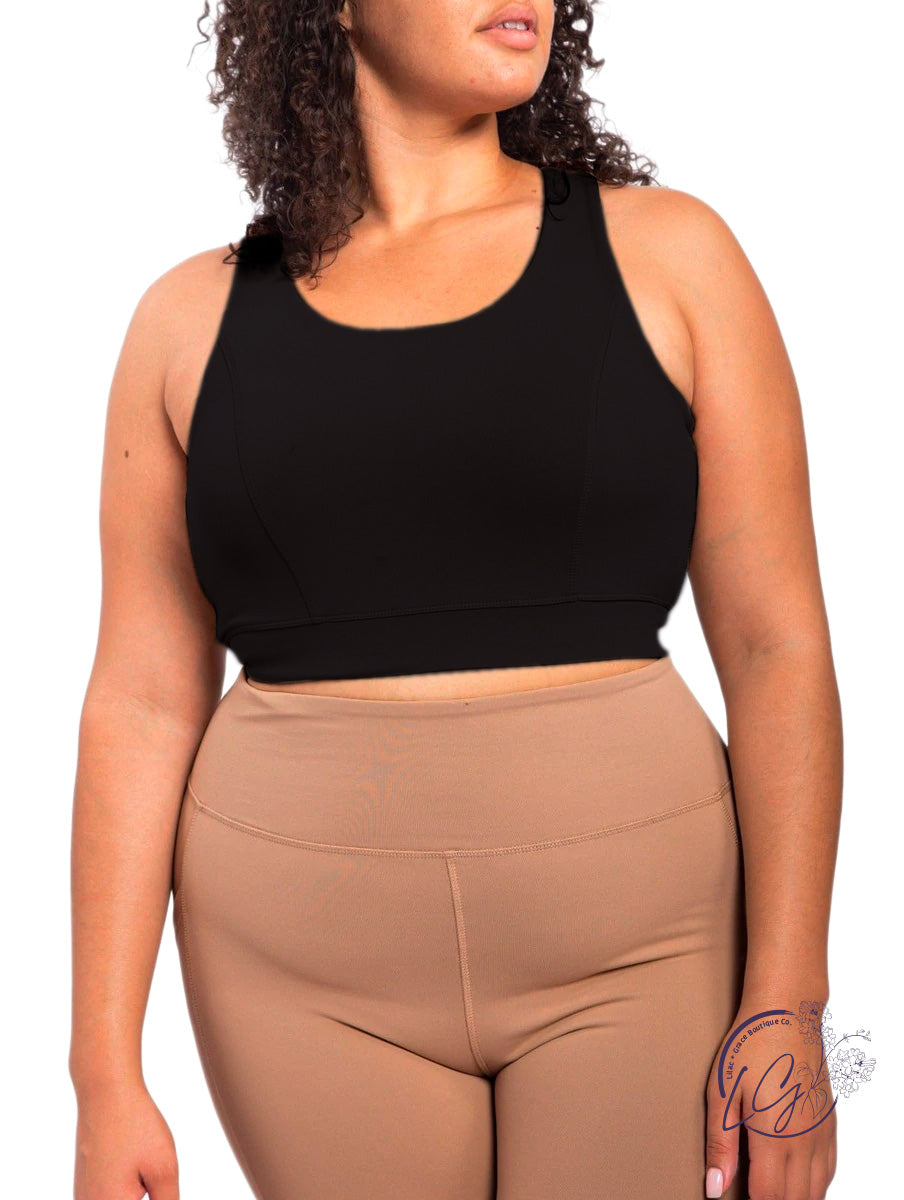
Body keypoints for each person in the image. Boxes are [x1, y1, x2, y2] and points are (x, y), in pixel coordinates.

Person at [69, 2, 842, 1198]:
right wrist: (103, 1072)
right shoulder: (187, 320)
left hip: (643, 952)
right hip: (298, 983)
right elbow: (139, 701)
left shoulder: (672, 256)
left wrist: (789, 998)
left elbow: (775, 645)